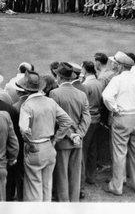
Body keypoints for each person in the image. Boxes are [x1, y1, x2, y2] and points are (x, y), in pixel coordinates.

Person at [102, 51, 135, 196]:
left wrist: (114, 108)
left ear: (120, 66)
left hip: (122, 117)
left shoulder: (117, 79)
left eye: (115, 64)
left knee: (120, 152)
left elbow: (106, 96)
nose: (114, 65)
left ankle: (117, 186)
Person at [17, 71, 73, 202]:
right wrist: (55, 139)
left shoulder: (26, 106)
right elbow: (67, 121)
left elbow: (24, 130)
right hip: (49, 147)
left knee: (34, 186)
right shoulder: (50, 102)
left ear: (25, 88)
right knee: (47, 185)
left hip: (35, 148)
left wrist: (30, 144)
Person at [49, 63, 91, 202]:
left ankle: (64, 204)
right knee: (75, 174)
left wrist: (71, 135)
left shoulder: (54, 93)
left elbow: (56, 119)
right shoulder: (81, 94)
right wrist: (79, 134)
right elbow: (86, 118)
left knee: (62, 175)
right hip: (77, 141)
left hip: (62, 140)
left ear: (59, 77)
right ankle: (74, 203)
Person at [79, 61, 104, 189]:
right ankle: (91, 177)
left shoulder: (86, 85)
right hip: (97, 119)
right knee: (93, 149)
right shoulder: (99, 82)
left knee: (83, 150)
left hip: (88, 120)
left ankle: (82, 179)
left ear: (84, 69)